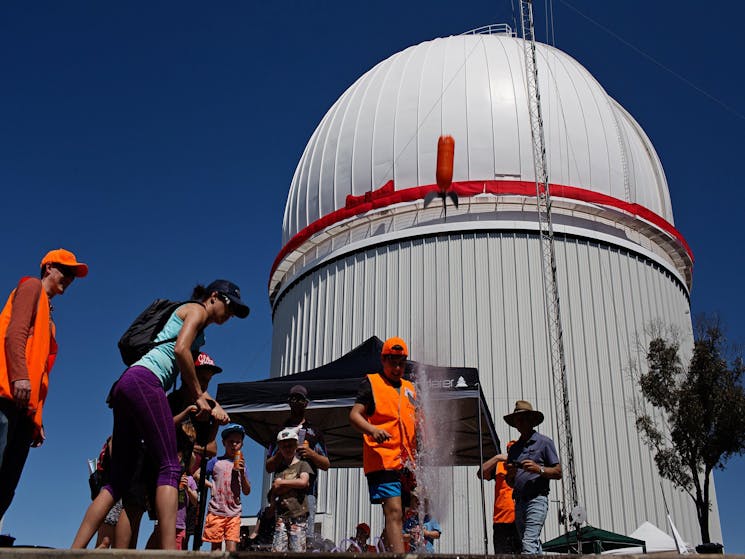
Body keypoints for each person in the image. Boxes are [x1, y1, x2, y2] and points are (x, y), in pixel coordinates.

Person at [71, 279, 248, 550]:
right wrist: (201, 396)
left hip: (127, 384)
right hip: (146, 381)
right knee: (170, 466)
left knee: (118, 480)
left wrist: (213, 404)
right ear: (214, 296)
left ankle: (74, 551)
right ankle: (168, 553)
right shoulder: (197, 311)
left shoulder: (198, 330)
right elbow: (180, 350)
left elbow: (194, 382)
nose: (230, 314)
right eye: (229, 305)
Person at [0, 248, 88, 519]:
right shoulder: (31, 287)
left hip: (24, 407)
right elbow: (13, 333)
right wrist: (19, 376)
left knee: (8, 480)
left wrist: (37, 418)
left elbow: (41, 372)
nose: (70, 278)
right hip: (6, 395)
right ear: (48, 267)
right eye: (66, 270)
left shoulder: (48, 320)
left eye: (73, 274)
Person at [349, 336, 417, 553]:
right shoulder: (371, 383)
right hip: (382, 458)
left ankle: (384, 549)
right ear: (383, 360)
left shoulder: (410, 388)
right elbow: (354, 415)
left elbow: (415, 420)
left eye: (401, 363)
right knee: (394, 511)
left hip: (406, 462)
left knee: (403, 513)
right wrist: (373, 429)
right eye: (392, 362)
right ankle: (400, 556)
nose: (397, 367)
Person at [265, 384, 329, 546]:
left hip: (307, 494)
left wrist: (311, 453)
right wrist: (284, 450)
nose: (297, 402)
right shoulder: (279, 431)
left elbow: (326, 464)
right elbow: (268, 466)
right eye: (294, 398)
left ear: (306, 403)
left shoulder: (314, 432)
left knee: (303, 540)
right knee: (281, 540)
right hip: (283, 495)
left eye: (300, 399)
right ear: (289, 401)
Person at [504, 400, 562, 554]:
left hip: (537, 499)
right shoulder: (514, 448)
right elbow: (510, 482)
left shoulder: (544, 443)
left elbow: (558, 472)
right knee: (531, 543)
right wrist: (510, 475)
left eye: (523, 419)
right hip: (519, 501)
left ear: (531, 421)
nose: (520, 422)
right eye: (517, 419)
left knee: (528, 542)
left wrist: (539, 469)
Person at [202, 423, 251, 551]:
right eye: (231, 442)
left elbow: (247, 491)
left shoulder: (243, 465)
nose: (234, 445)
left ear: (242, 444)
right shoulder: (216, 461)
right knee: (216, 548)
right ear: (224, 443)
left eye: (237, 442)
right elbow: (197, 475)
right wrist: (211, 485)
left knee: (232, 547)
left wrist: (241, 472)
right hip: (216, 510)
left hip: (234, 512)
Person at [270, 428, 313, 552]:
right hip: (282, 514)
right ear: (279, 448)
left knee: (297, 550)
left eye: (290, 445)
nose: (287, 449)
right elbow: (275, 489)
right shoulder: (279, 469)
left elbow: (304, 482)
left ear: (296, 446)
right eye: (284, 446)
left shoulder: (302, 465)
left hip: (298, 513)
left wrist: (283, 483)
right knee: (278, 550)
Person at [478, 440, 521, 554]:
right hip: (501, 519)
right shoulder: (499, 465)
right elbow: (481, 473)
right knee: (501, 553)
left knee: (521, 552)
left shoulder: (522, 465)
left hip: (519, 518)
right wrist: (497, 458)